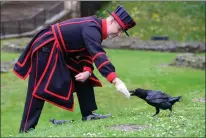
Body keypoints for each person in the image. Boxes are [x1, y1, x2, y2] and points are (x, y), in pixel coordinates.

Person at [13, 5, 136, 133]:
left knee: (84, 74)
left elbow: (85, 52)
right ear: (111, 20)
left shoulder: (95, 28)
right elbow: (98, 55)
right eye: (119, 29)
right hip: (46, 47)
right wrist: (115, 80)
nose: (119, 33)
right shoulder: (92, 28)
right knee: (39, 87)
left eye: (122, 31)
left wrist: (87, 70)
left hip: (60, 50)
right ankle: (26, 130)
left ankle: (88, 115)